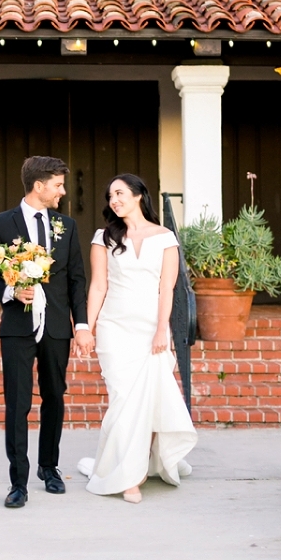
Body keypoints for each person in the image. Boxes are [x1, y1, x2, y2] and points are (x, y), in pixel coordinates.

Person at [0, 155, 93, 508]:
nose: (62, 191)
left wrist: (83, 324)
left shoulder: (67, 226)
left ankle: (49, 466)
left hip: (57, 326)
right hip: (17, 327)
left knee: (54, 397)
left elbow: (76, 279)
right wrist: (12, 292)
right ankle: (19, 482)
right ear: (39, 186)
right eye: (58, 185)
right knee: (18, 403)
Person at [78, 173, 197, 503]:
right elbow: (98, 285)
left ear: (139, 195)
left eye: (119, 193)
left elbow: (167, 288)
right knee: (124, 399)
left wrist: (162, 328)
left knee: (152, 398)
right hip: (115, 327)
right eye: (110, 196)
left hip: (150, 328)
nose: (113, 200)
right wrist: (86, 326)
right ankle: (126, 473)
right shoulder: (104, 237)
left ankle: (138, 469)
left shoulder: (165, 238)